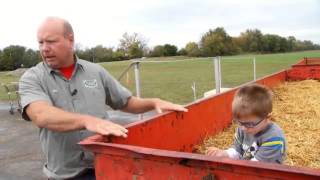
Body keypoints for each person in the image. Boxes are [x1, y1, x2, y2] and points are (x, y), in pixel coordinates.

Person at [19, 17, 188, 180]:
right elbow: (41, 115)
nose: (44, 48)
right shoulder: (33, 77)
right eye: (40, 42)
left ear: (70, 40)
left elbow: (126, 102)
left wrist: (154, 102)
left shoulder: (95, 71)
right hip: (65, 174)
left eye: (51, 41)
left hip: (105, 166)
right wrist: (87, 121)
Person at [206, 84, 286, 164]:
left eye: (249, 124)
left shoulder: (274, 138)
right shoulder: (243, 128)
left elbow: (256, 166)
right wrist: (224, 154)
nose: (243, 128)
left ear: (267, 117)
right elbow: (237, 151)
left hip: (266, 173)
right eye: (240, 122)